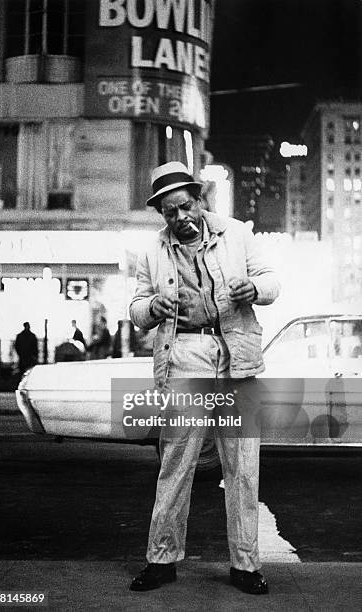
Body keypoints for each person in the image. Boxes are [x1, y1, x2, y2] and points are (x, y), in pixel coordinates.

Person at [129, 161, 280, 595]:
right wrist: (151, 308)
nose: (180, 218)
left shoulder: (237, 233)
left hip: (237, 357)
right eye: (169, 211)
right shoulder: (153, 251)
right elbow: (136, 307)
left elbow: (270, 280)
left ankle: (246, 566)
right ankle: (161, 560)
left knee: (243, 467)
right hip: (185, 358)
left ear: (200, 200)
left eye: (185, 206)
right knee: (176, 464)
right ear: (161, 213)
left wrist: (256, 290)